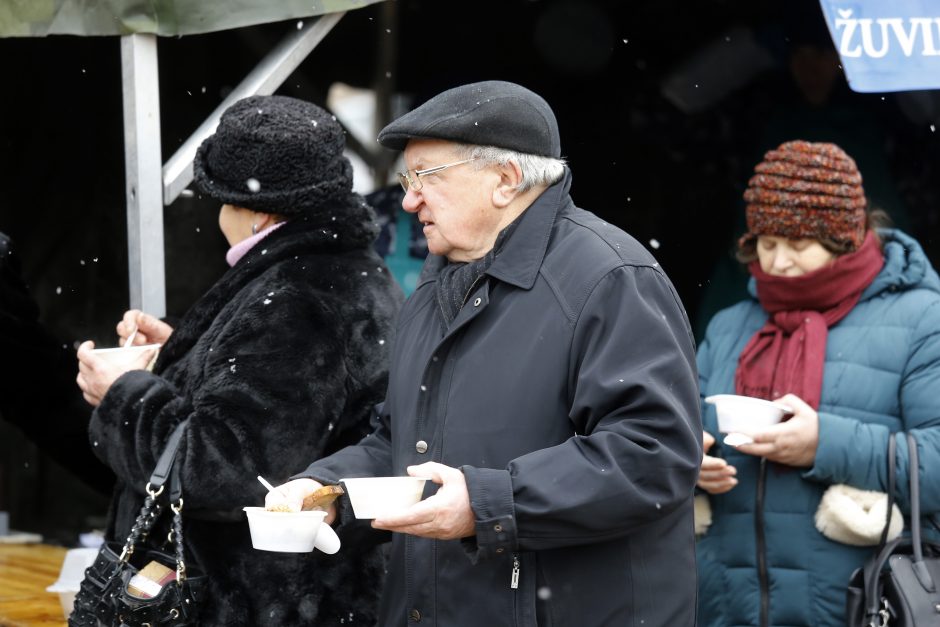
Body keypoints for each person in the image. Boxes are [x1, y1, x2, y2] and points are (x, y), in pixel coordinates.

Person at [267, 80, 703, 626]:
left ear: (505, 179)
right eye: (406, 180)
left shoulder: (610, 277)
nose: (407, 200)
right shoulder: (437, 284)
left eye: (425, 177)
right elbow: (403, 437)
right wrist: (330, 489)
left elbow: (653, 455)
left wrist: (488, 502)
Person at [74, 95, 403, 625]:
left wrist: (125, 393)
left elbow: (224, 471)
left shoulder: (300, 297)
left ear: (258, 213)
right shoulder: (333, 273)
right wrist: (184, 353)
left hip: (255, 602)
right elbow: (275, 404)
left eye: (220, 202)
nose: (218, 216)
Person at [694, 140, 940, 627]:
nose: (778, 263)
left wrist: (822, 444)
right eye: (766, 243)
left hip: (860, 605)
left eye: (798, 245)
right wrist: (685, 457)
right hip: (726, 604)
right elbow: (669, 426)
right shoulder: (728, 325)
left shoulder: (921, 319)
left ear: (844, 239)